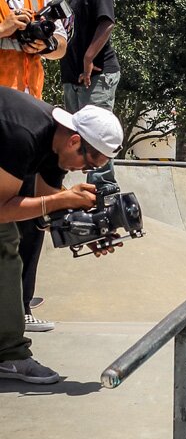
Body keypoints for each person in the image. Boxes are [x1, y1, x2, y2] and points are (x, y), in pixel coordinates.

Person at [0, 87, 123, 384]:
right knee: (5, 243)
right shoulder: (24, 134)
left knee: (13, 238)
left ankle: (8, 352)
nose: (83, 172)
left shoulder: (56, 147)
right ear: (75, 141)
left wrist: (87, 232)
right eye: (89, 164)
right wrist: (65, 199)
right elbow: (2, 211)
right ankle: (10, 355)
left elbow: (45, 211)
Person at [0, 0, 70, 334]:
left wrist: (43, 42)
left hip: (34, 116)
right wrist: (7, 28)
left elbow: (62, 42)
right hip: (1, 120)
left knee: (32, 220)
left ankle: (22, 306)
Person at [60, 0, 120, 118]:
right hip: (74, 81)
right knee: (76, 137)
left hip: (96, 76)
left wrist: (88, 58)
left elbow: (107, 22)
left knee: (93, 134)